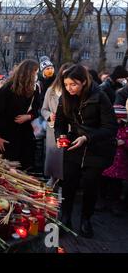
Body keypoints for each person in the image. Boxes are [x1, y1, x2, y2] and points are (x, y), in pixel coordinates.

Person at [55, 64, 118, 238]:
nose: (69, 88)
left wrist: (87, 137)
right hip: (73, 145)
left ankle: (85, 220)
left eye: (73, 84)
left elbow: (110, 127)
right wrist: (60, 137)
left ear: (83, 81)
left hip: (97, 149)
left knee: (90, 185)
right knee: (68, 183)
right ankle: (65, 217)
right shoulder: (65, 97)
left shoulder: (100, 96)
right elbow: (59, 123)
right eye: (66, 85)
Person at [0, 59, 40, 171]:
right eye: (35, 72)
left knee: (23, 168)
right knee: (6, 170)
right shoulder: (7, 89)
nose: (36, 75)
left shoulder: (34, 89)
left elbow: (37, 109)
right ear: (27, 73)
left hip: (24, 135)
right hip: (6, 135)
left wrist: (29, 116)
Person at [41, 64, 71, 187]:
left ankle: (66, 180)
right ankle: (53, 177)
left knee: (67, 155)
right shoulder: (51, 90)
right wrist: (49, 116)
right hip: (53, 128)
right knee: (54, 154)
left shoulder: (72, 90)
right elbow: (43, 109)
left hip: (69, 127)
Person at [101, 105, 128, 216]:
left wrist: (124, 142)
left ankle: (115, 203)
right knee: (103, 182)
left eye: (119, 119)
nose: (117, 121)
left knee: (116, 186)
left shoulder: (126, 130)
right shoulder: (108, 128)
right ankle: (102, 201)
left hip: (121, 163)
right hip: (107, 162)